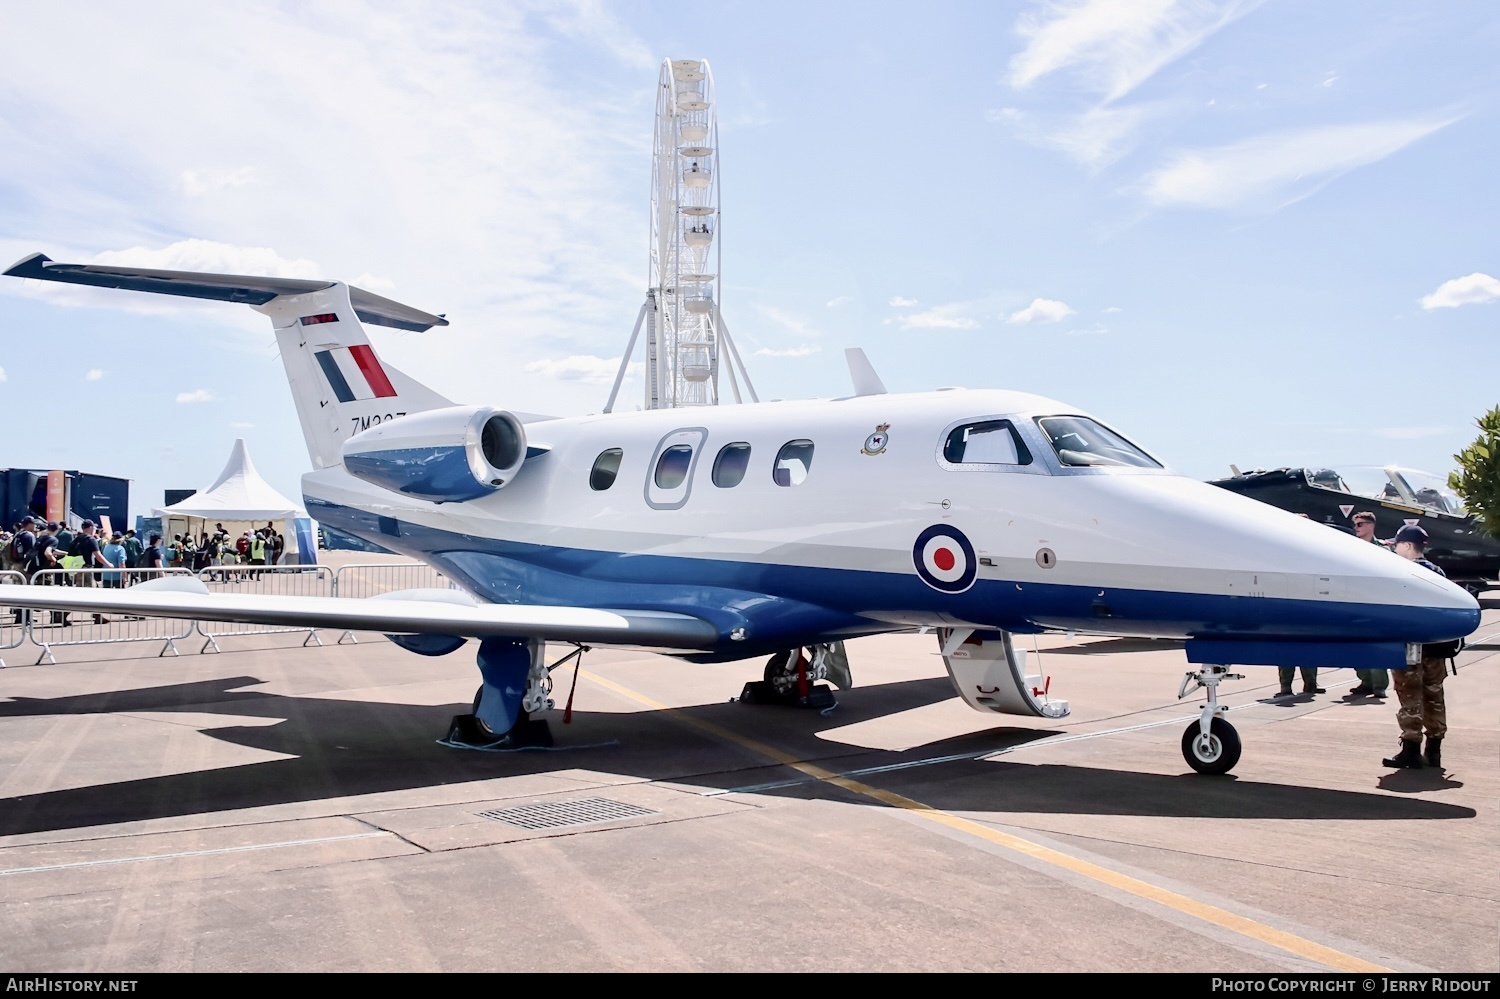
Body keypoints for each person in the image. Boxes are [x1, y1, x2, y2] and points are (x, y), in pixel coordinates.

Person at [1382, 525, 1453, 770]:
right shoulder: (1438, 572)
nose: (1395, 549)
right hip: (1436, 648)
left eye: (1398, 545)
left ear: (1408, 546)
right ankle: (1434, 750)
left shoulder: (1401, 572)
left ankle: (1411, 750)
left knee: (1410, 695)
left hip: (1409, 646)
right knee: (1434, 695)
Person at [1348, 512, 1390, 698]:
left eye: (1360, 524)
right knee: (1355, 647)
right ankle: (1365, 682)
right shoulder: (1349, 548)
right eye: (1355, 524)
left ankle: (1379, 685)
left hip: (1376, 605)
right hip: (1354, 602)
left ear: (1371, 526)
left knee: (1375, 646)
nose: (1356, 528)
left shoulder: (1383, 550)